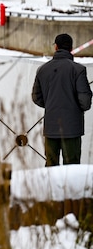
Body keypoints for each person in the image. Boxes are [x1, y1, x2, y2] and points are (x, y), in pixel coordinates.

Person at [31, 33, 92, 166]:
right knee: (72, 169)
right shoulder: (78, 70)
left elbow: (36, 97)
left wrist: (51, 104)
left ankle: (50, 188)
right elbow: (85, 102)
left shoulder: (42, 70)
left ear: (56, 47)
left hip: (51, 127)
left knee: (51, 168)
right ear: (71, 48)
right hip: (72, 129)